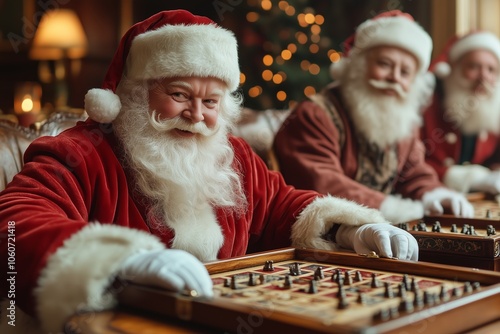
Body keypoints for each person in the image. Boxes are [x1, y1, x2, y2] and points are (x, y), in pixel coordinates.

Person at [0, 10, 418, 334]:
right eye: (179, 95)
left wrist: (349, 229)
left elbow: (280, 205)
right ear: (134, 94)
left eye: (211, 101)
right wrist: (119, 261)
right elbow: (15, 225)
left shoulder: (232, 153)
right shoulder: (80, 152)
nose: (196, 115)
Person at [273, 10, 474, 224]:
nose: (394, 78)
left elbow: (414, 173)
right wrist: (392, 208)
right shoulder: (314, 115)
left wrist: (435, 194)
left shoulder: (402, 121)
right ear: (359, 66)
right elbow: (323, 183)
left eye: (405, 72)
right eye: (384, 64)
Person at [420, 31, 500, 195]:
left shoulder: (494, 109)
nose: (483, 77)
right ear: (455, 69)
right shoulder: (427, 103)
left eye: (491, 69)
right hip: (432, 194)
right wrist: (469, 178)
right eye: (473, 67)